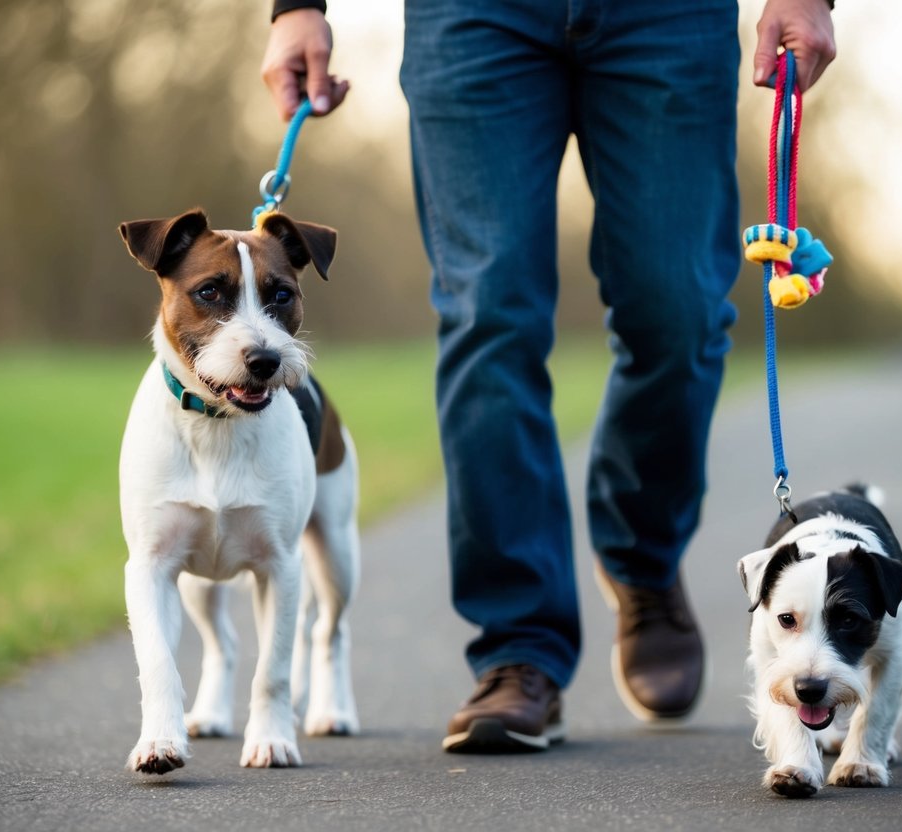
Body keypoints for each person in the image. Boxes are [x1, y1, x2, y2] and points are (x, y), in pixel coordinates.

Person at [262, 0, 835, 753]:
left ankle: (642, 556)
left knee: (679, 309)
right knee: (487, 313)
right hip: (470, 18)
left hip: (668, 19)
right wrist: (295, 7)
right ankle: (518, 646)